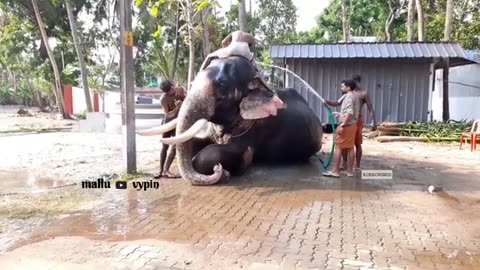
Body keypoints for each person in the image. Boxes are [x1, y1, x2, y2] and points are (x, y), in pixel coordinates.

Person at [325, 74, 377, 171]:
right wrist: (326, 101)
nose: (355, 83)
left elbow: (370, 108)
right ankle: (345, 165)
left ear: (358, 82)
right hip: (349, 120)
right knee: (346, 145)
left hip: (355, 121)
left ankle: (357, 166)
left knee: (356, 144)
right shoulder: (347, 94)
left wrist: (374, 122)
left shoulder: (363, 93)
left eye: (355, 81)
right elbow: (337, 103)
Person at [322, 79, 360, 177]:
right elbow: (351, 112)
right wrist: (340, 114)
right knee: (350, 148)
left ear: (348, 87)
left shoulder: (348, 97)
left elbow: (350, 113)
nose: (341, 88)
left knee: (338, 147)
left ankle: (335, 171)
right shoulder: (355, 96)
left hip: (346, 125)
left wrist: (342, 125)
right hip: (353, 125)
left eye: (342, 86)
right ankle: (349, 171)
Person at [155, 79, 186, 179]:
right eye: (168, 92)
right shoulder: (163, 99)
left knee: (175, 145)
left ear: (173, 85)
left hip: (179, 122)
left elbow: (189, 101)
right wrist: (177, 108)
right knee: (165, 146)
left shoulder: (180, 90)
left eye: (172, 89)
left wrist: (183, 102)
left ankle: (166, 170)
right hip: (168, 123)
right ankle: (161, 171)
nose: (171, 93)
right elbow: (168, 115)